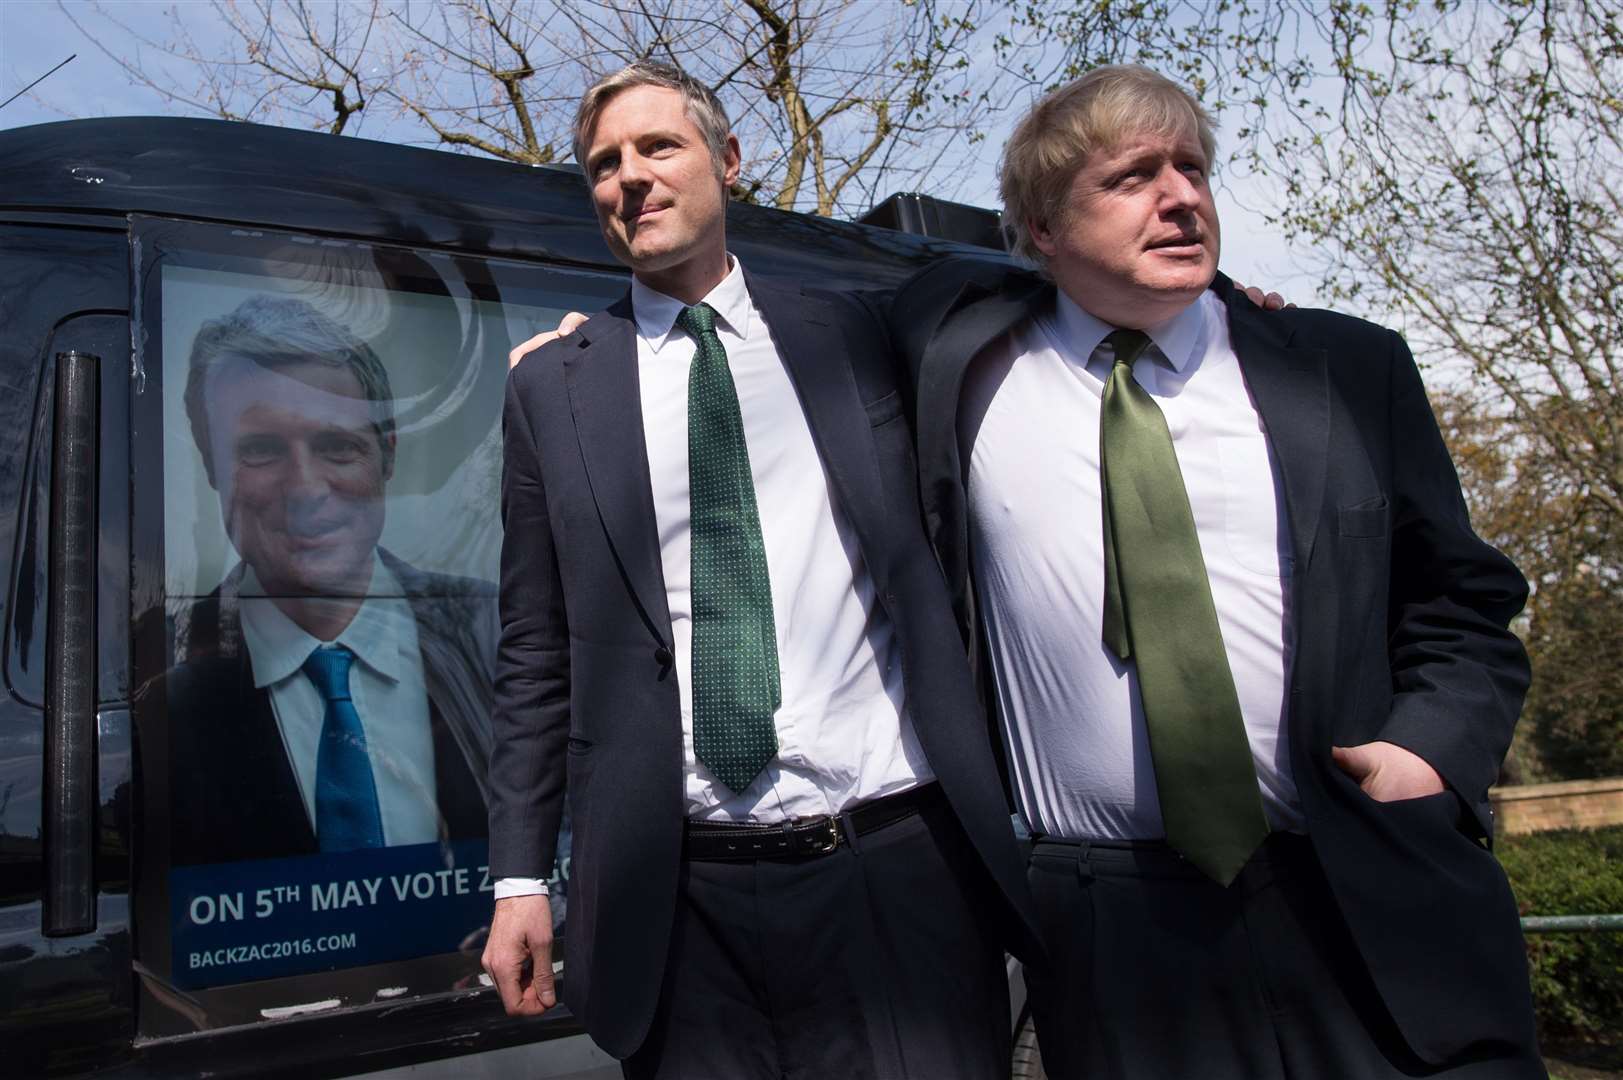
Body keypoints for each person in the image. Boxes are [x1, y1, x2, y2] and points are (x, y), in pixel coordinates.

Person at [885, 64, 1542, 1079]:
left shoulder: (1345, 369)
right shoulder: (957, 360)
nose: (1182, 195)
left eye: (1192, 167)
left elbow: (1465, 603)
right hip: (1116, 942)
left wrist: (1431, 754)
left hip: (1364, 893)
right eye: (1134, 176)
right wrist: (599, 346)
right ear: (1043, 229)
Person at [481, 61, 1041, 1080]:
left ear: (729, 161)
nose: (630, 178)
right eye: (604, 164)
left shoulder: (858, 332)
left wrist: (1217, 299)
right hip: (681, 905)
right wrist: (518, 874)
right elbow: (533, 648)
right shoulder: (553, 390)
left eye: (660, 147)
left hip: (897, 876)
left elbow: (1030, 287)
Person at [167, 294, 495, 866]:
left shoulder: (500, 634)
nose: (307, 488)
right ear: (212, 466)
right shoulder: (160, 677)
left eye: (338, 447)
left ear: (386, 458)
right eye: (263, 450)